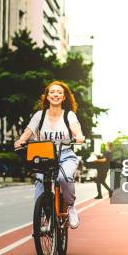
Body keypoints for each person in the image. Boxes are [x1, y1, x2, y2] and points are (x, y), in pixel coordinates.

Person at [14, 81, 85, 229]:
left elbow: (76, 128)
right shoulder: (39, 116)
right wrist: (21, 140)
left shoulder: (69, 115)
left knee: (63, 177)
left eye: (59, 92)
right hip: (44, 157)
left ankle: (71, 207)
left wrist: (79, 135)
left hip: (65, 155)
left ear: (64, 97)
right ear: (47, 96)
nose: (55, 95)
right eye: (52, 92)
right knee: (40, 183)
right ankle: (44, 216)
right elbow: (28, 131)